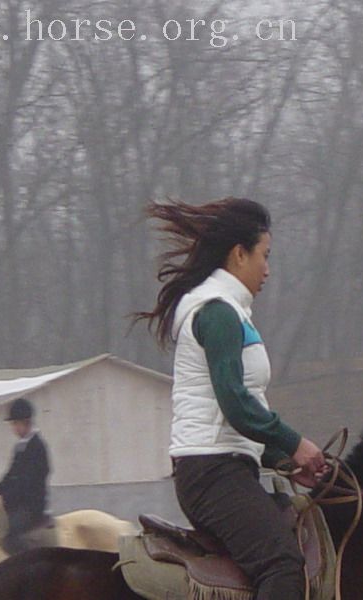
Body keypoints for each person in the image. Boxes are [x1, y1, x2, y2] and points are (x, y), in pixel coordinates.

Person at [135, 197, 327, 600]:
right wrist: (295, 444)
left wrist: (282, 460)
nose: (268, 270)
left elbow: (238, 418)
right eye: (264, 256)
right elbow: (236, 405)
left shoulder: (233, 314)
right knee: (282, 566)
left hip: (229, 467)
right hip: (211, 474)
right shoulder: (217, 313)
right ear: (239, 254)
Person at [0, 397, 51, 554]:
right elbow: (10, 475)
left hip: (31, 506)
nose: (14, 428)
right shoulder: (20, 447)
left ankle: (26, 566)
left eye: (15, 424)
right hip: (18, 504)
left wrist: (5, 498)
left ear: (26, 423)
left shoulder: (37, 447)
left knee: (9, 534)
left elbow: (27, 482)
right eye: (13, 424)